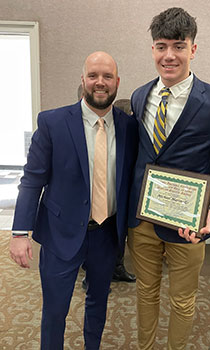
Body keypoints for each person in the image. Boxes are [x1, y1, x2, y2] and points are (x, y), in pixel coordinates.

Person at [127, 7, 210, 350]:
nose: (169, 55)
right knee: (145, 294)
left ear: (193, 49)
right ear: (152, 50)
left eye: (178, 46)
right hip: (142, 221)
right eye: (161, 46)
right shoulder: (138, 96)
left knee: (182, 301)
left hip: (187, 225)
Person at [10, 51, 138, 350]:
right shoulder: (53, 122)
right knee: (55, 310)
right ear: (83, 80)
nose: (100, 82)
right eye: (93, 76)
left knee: (98, 303)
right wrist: (19, 232)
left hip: (107, 234)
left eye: (107, 76)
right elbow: (32, 179)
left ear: (117, 82)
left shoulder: (129, 127)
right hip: (60, 233)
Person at [76, 85, 136, 288]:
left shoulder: (126, 125)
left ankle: (117, 267)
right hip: (87, 200)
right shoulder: (72, 124)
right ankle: (89, 274)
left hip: (117, 195)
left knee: (118, 234)